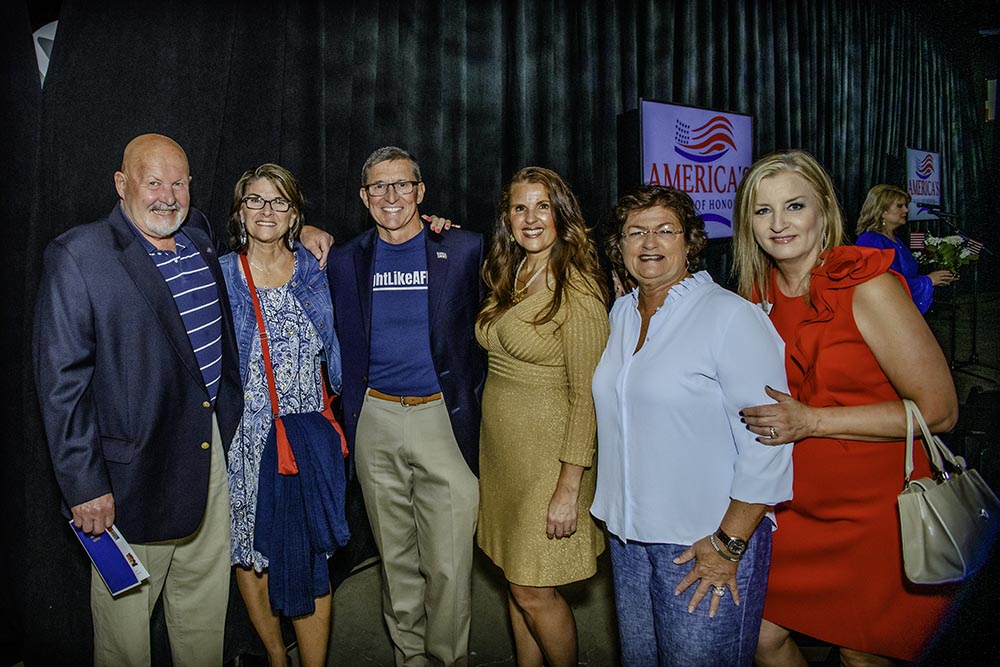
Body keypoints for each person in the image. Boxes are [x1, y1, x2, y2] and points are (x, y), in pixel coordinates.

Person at [732, 150, 959, 666]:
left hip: (873, 512)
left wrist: (812, 420)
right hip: (791, 507)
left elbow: (940, 411)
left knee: (861, 653)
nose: (779, 223)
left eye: (794, 206)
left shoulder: (866, 285)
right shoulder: (754, 293)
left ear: (824, 210)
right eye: (763, 210)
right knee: (760, 635)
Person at [32, 133, 244, 666]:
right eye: (153, 182)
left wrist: (304, 232)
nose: (167, 197)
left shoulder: (197, 236)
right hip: (130, 483)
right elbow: (62, 384)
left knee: (203, 612)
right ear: (121, 184)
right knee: (125, 637)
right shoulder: (79, 256)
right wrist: (84, 485)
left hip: (207, 460)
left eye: (179, 183)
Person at [590, 185, 794, 666]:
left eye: (665, 230)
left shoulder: (729, 315)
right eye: (635, 232)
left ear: (690, 242)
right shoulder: (621, 314)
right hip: (628, 541)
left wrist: (729, 543)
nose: (649, 243)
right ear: (619, 246)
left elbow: (770, 438)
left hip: (705, 540)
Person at [327, 146, 486, 666]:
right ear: (363, 196)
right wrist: (305, 234)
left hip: (445, 418)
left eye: (401, 184)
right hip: (375, 419)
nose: (390, 195)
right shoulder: (345, 260)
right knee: (395, 562)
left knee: (449, 564)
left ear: (420, 192)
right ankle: (410, 658)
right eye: (379, 186)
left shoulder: (463, 248)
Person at [476, 167, 609, 667]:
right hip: (505, 460)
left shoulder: (578, 289)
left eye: (543, 206)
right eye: (520, 207)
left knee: (534, 590)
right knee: (517, 579)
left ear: (561, 214)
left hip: (549, 465)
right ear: (507, 218)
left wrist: (568, 487)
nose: (531, 218)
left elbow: (587, 398)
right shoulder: (513, 272)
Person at [219, 163, 346, 667]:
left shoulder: (316, 267)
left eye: (279, 201)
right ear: (240, 211)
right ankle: (277, 657)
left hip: (306, 434)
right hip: (246, 439)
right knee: (250, 551)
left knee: (310, 550)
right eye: (255, 200)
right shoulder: (221, 273)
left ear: (295, 214)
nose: (266, 210)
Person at [855, 183, 956, 313]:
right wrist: (928, 281)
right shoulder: (871, 241)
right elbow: (884, 284)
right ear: (882, 211)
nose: (906, 210)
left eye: (905, 205)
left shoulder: (895, 240)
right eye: (899, 206)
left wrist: (935, 279)